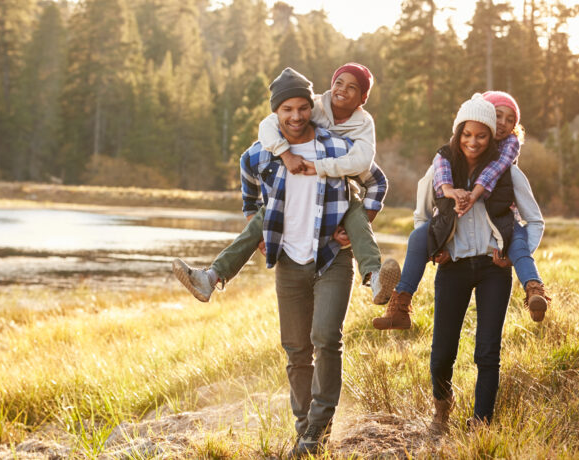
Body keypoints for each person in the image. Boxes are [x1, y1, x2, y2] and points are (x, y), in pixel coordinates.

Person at [220, 68, 379, 456]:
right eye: (286, 109)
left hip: (331, 256)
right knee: (295, 350)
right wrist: (255, 224)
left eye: (303, 107)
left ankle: (319, 426)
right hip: (289, 259)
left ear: (313, 108)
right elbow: (248, 183)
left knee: (326, 338)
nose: (295, 115)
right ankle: (306, 430)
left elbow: (377, 179)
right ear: (276, 113)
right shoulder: (262, 151)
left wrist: (364, 215)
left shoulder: (337, 146)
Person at [172, 63, 400, 307]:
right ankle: (210, 277)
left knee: (356, 215)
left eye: (352, 87)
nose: (342, 90)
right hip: (292, 192)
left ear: (363, 98)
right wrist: (284, 154)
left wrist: (360, 220)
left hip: (341, 193)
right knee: (263, 217)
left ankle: (374, 278)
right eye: (338, 83)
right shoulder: (312, 107)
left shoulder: (362, 125)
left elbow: (367, 166)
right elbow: (268, 125)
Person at [413, 94, 544, 431]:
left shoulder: (509, 174)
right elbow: (420, 217)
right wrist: (433, 248)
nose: (475, 140)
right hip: (452, 267)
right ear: (461, 132)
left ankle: (481, 421)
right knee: (442, 350)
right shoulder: (442, 168)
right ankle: (442, 410)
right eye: (469, 133)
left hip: (492, 270)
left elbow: (535, 221)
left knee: (487, 351)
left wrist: (513, 254)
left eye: (484, 133)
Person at [372, 90, 550, 330]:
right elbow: (428, 197)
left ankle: (534, 289)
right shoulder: (447, 157)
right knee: (417, 237)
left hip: (502, 225)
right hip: (453, 242)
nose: (504, 124)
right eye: (498, 116)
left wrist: (473, 194)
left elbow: (495, 173)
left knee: (518, 242)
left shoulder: (507, 155)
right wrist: (438, 242)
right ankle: (400, 302)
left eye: (510, 120)